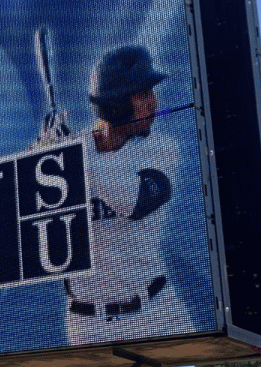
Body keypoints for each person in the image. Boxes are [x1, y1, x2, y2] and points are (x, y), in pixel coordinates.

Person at [64, 46, 194, 346]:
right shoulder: (68, 151)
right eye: (143, 95)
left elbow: (131, 202)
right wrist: (40, 155)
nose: (153, 104)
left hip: (157, 310)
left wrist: (71, 155)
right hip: (86, 322)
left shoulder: (163, 148)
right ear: (117, 106)